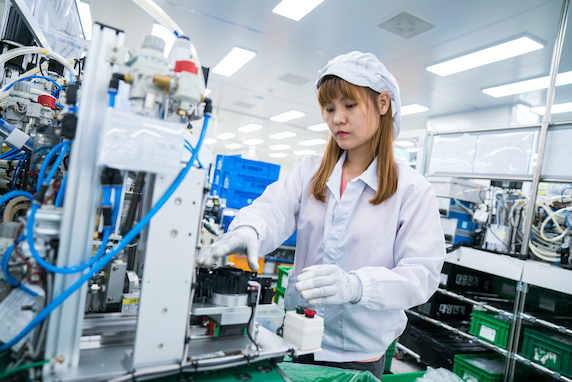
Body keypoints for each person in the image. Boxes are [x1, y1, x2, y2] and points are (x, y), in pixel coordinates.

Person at [198, 51, 446, 379]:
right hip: (296, 341)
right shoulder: (310, 171)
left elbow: (421, 274)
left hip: (360, 357)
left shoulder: (412, 190)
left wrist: (357, 286)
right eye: (329, 109)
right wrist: (250, 229)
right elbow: (272, 209)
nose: (336, 119)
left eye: (349, 105)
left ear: (383, 103)